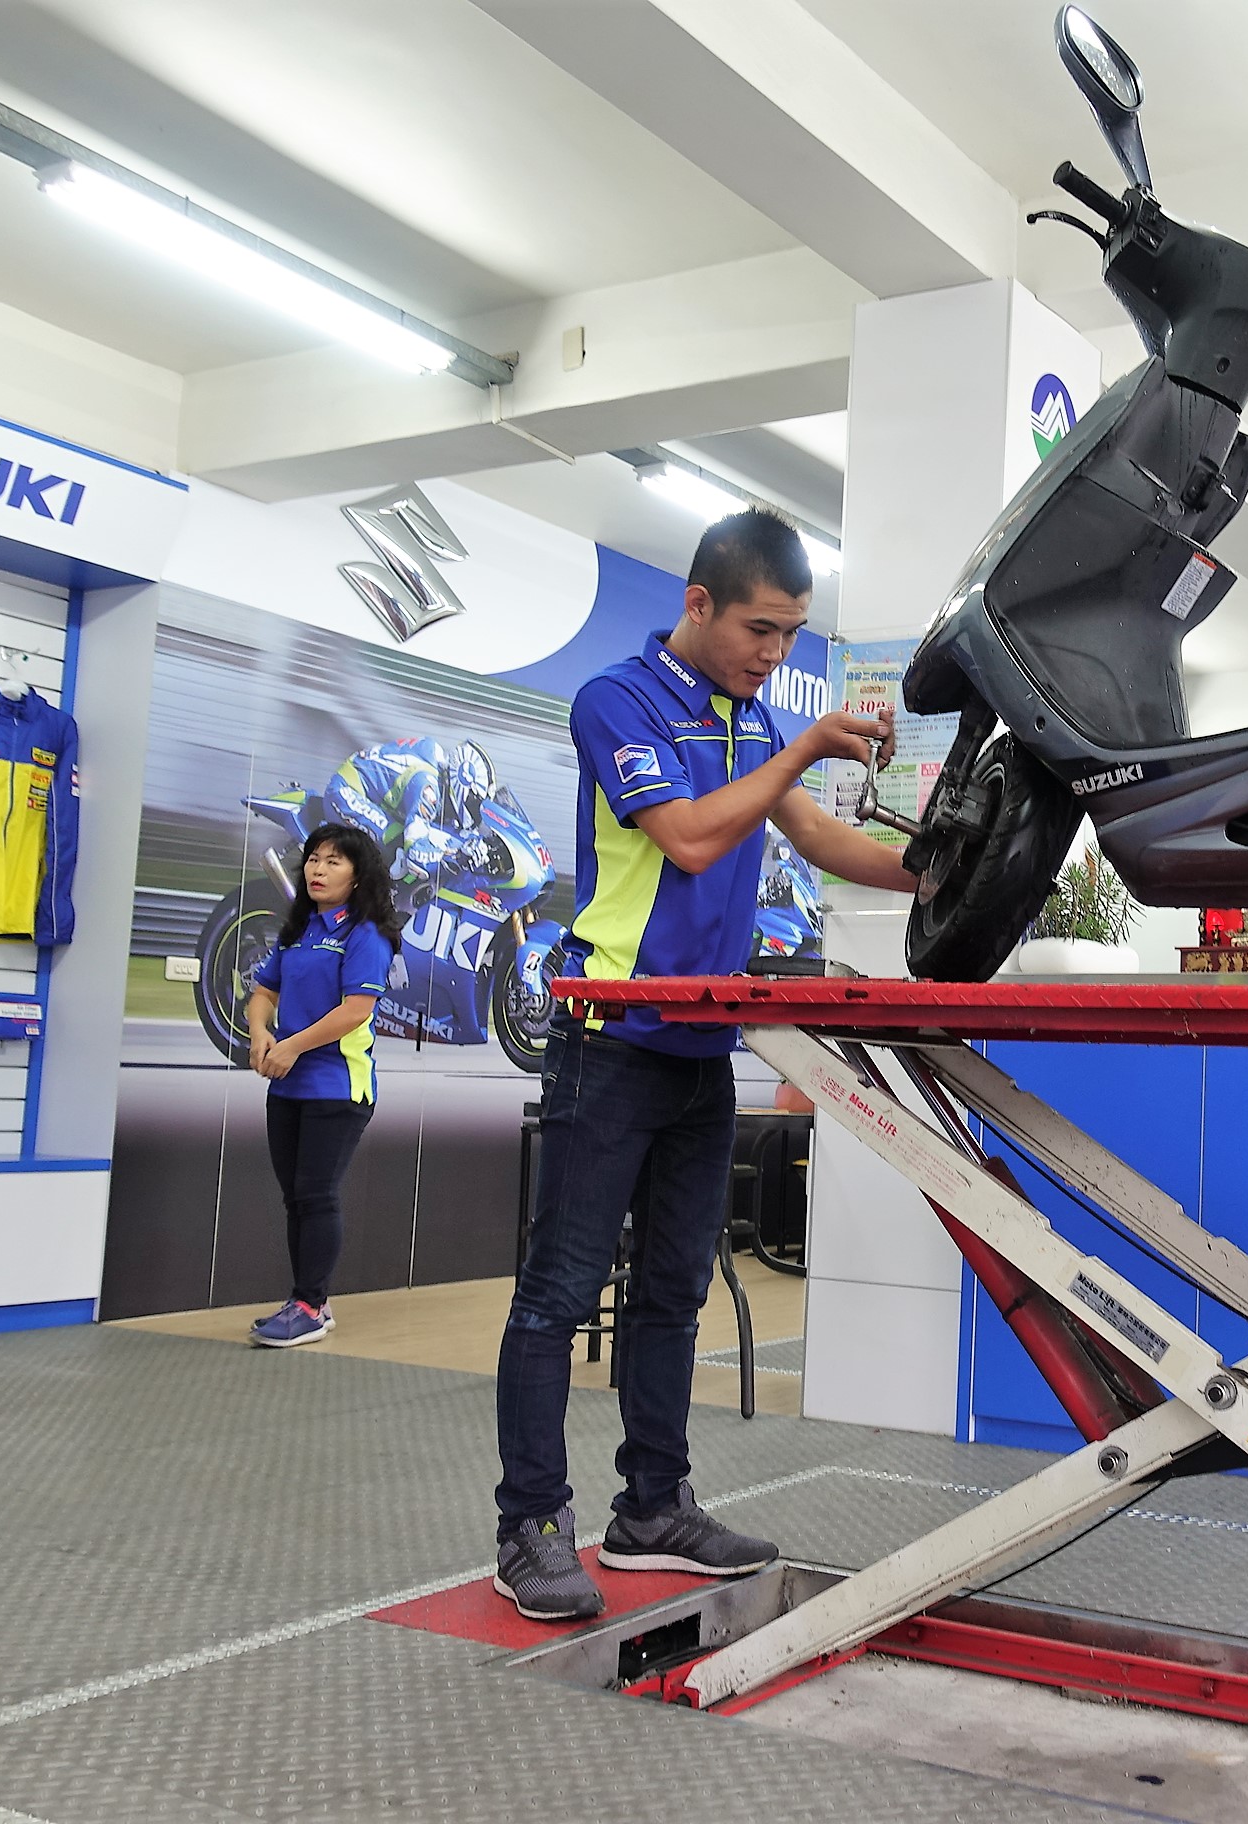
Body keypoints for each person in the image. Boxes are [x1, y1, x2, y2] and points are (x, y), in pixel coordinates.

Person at [492, 509, 916, 1621]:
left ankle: (651, 1510)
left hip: (701, 1046)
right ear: (698, 604)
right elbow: (685, 836)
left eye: (792, 634)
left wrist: (945, 874)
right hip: (609, 1040)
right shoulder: (617, 701)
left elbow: (817, 839)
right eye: (761, 629)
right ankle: (530, 1526)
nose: (775, 653)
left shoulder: (754, 718)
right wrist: (801, 749)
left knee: (675, 1291)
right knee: (557, 1294)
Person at [242, 822, 402, 1349]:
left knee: (316, 1193)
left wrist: (292, 1046)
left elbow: (355, 1011)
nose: (318, 869)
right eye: (313, 858)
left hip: (338, 1086)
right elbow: (263, 992)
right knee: (296, 1197)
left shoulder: (365, 934)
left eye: (334, 861)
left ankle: (309, 1306)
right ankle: (310, 1300)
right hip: (287, 1085)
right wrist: (261, 1033)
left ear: (358, 875)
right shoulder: (300, 929)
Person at [323, 736, 500, 909]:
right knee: (397, 852)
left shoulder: (441, 774)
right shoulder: (428, 791)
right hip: (346, 792)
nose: (476, 812)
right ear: (461, 784)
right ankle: (370, 909)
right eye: (475, 803)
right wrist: (456, 856)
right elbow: (416, 855)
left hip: (374, 797)